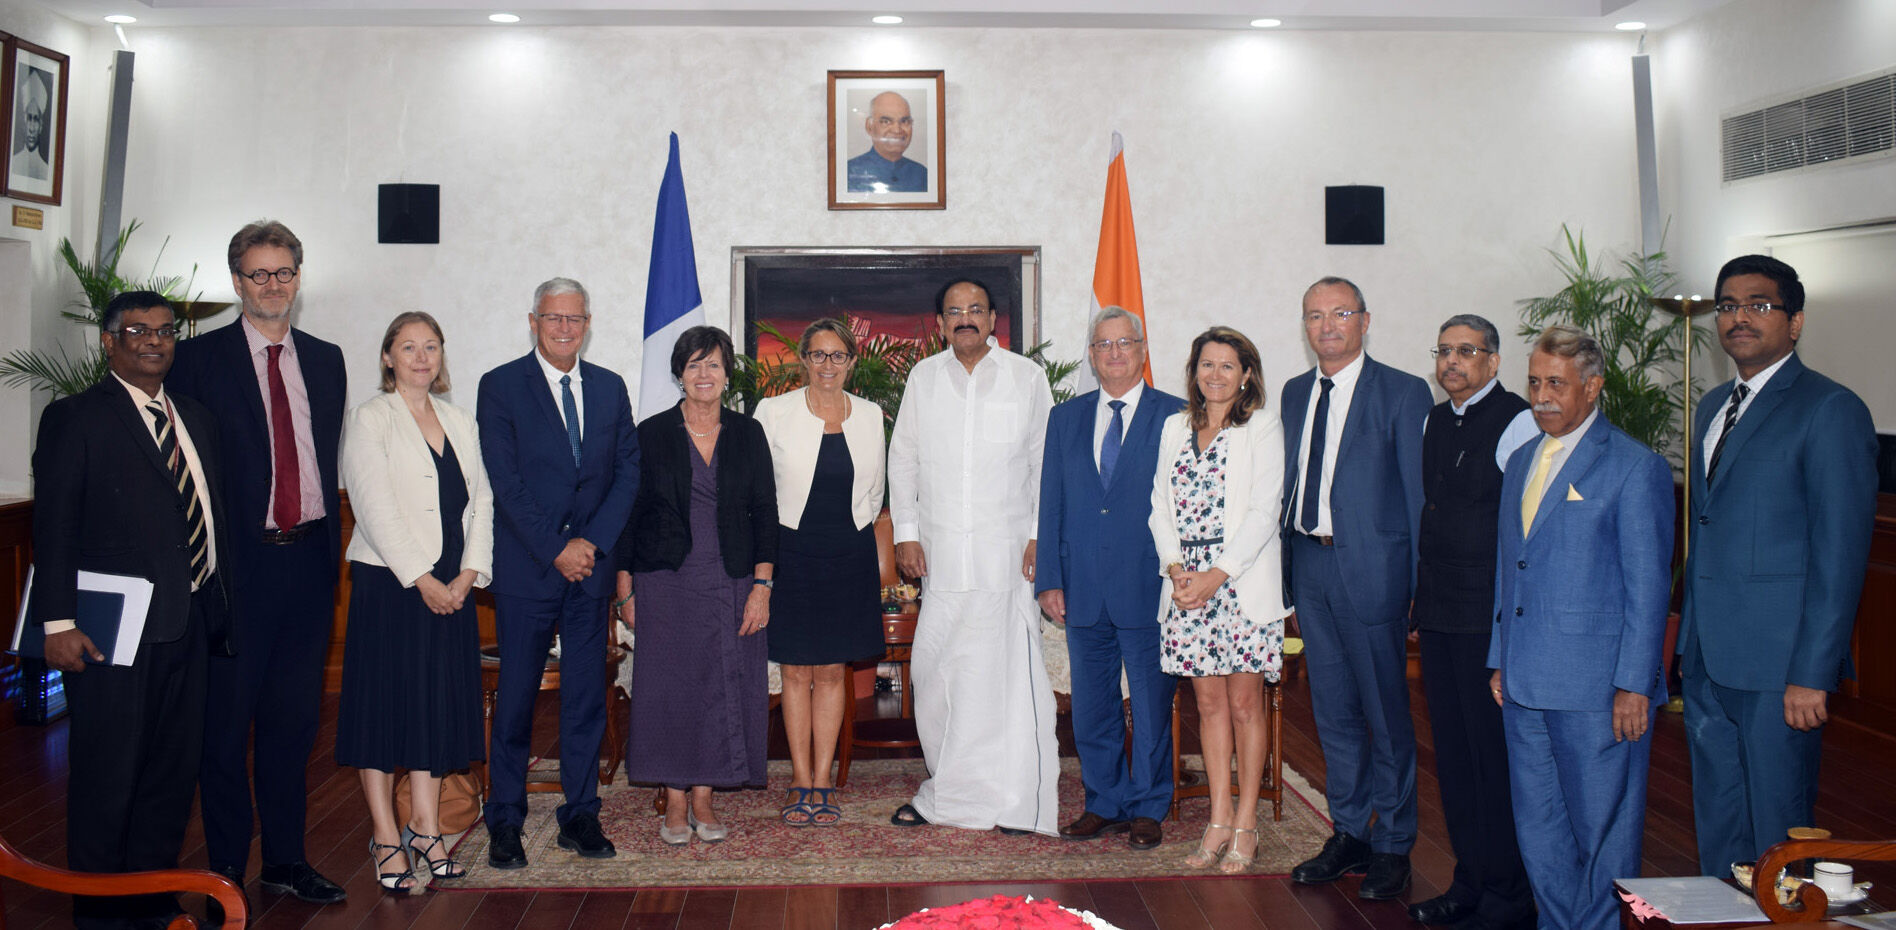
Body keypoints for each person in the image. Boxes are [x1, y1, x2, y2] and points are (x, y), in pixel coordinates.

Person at [32, 291, 232, 930]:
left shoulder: (195, 419)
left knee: (170, 779)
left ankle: (150, 898)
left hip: (189, 623)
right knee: (106, 777)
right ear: (108, 341)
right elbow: (55, 526)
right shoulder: (77, 418)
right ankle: (98, 916)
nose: (154, 341)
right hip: (110, 636)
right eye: (137, 331)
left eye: (165, 331)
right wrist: (56, 624)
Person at [169, 220, 348, 907]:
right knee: (224, 731)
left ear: (298, 277)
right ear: (236, 281)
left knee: (293, 724)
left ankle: (285, 860)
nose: (271, 285)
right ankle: (222, 873)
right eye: (257, 274)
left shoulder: (327, 359)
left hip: (306, 569)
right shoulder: (196, 360)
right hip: (232, 573)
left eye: (283, 272)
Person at [1680, 255, 1879, 874]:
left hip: (1779, 665)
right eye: (1729, 305)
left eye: (1759, 305)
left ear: (1794, 322)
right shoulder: (1713, 406)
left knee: (1779, 828)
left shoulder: (1829, 409)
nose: (1740, 318)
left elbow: (1839, 555)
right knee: (1718, 818)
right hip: (1710, 655)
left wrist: (1813, 672)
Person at [1489, 324, 1673, 930]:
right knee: (1537, 826)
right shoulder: (1520, 460)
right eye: (1535, 382)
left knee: (1603, 834)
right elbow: (1509, 570)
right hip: (1523, 680)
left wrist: (1634, 684)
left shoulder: (1633, 466)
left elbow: (1649, 590)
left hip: (1599, 690)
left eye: (1557, 384)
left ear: (1592, 388)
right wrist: (1499, 657)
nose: (1542, 396)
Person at [476, 277, 640, 866]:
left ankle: (580, 815)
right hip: (529, 571)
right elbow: (506, 482)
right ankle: (505, 820)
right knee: (517, 698)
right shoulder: (500, 387)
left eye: (575, 319)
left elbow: (627, 473)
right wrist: (557, 548)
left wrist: (590, 543)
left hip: (591, 571)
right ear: (533, 320)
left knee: (584, 699)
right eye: (554, 318)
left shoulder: (609, 387)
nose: (565, 328)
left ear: (587, 323)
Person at [887, 278, 1059, 835]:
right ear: (940, 323)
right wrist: (906, 533)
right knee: (936, 677)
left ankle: (1012, 800)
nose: (965, 318)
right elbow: (904, 459)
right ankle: (951, 792)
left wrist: (1039, 534)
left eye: (975, 309)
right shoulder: (924, 378)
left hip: (1006, 560)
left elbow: (1044, 464)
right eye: (954, 311)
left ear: (992, 320)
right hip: (939, 559)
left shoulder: (1026, 379)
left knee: (1002, 682)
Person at [1280, 275, 1430, 900]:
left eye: (1340, 313)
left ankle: (1394, 844)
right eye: (1315, 316)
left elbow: (1420, 500)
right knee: (1334, 713)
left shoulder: (1402, 392)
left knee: (1386, 714)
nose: (1327, 326)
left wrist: (1421, 589)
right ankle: (1350, 833)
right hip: (1310, 569)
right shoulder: (1292, 393)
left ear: (1365, 321)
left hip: (1374, 574)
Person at [336, 312, 493, 892]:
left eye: (431, 347)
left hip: (452, 590)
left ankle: (426, 826)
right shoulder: (370, 418)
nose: (421, 357)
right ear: (388, 357)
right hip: (392, 588)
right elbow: (372, 508)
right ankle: (384, 835)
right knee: (381, 712)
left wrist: (469, 573)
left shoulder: (459, 419)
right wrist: (424, 580)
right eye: (408, 347)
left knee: (431, 707)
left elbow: (481, 502)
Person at [617, 325, 778, 844]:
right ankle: (675, 802)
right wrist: (625, 591)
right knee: (670, 690)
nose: (703, 375)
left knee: (720, 685)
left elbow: (766, 514)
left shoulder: (747, 433)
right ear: (678, 374)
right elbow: (630, 516)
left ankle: (705, 799)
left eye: (713, 364)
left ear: (727, 373)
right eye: (693, 365)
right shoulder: (651, 433)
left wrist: (762, 586)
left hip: (733, 579)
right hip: (665, 581)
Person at [1035, 307, 1182, 851]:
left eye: (1125, 343)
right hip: (1081, 587)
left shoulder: (1177, 416)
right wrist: (1050, 577)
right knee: (1093, 706)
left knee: (1148, 706)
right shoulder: (1065, 418)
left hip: (1149, 586)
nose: (1114, 353)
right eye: (1103, 344)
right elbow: (1051, 501)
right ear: (1091, 356)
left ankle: (1147, 806)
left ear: (1143, 350)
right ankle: (1102, 801)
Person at [1410, 314, 1537, 930]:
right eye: (1445, 351)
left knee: (1493, 758)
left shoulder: (1517, 420)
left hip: (1487, 618)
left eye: (1467, 351)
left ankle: (1511, 894)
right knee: (1454, 759)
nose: (1453, 362)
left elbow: (1522, 527)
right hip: (1438, 610)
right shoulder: (1437, 417)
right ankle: (1469, 880)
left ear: (1493, 361)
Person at [1149, 326, 1291, 873]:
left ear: (1247, 374)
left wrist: (1217, 574)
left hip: (1240, 584)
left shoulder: (1262, 426)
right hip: (1185, 586)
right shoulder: (1173, 427)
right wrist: (1178, 568)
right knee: (1206, 706)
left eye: (1227, 366)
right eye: (1206, 365)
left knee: (1244, 705)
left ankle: (1248, 821)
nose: (1215, 375)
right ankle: (1218, 816)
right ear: (1194, 372)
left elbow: (1263, 511)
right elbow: (1158, 503)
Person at [755, 319, 886, 826]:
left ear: (852, 361)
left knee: (832, 670)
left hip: (848, 552)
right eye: (818, 355)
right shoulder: (774, 411)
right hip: (790, 549)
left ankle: (825, 781)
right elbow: (759, 490)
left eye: (837, 355)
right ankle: (799, 778)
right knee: (794, 671)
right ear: (803, 360)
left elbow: (875, 491)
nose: (827, 365)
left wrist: (857, 529)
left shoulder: (872, 415)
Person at [846, 91, 927, 193]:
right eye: (886, 122)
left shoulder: (922, 175)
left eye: (904, 121)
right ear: (869, 126)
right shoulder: (847, 173)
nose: (897, 130)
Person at [11, 70, 51, 181]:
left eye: (36, 119)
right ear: (24, 121)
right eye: (29, 118)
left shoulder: (45, 170)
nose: (32, 128)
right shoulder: (13, 163)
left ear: (41, 126)